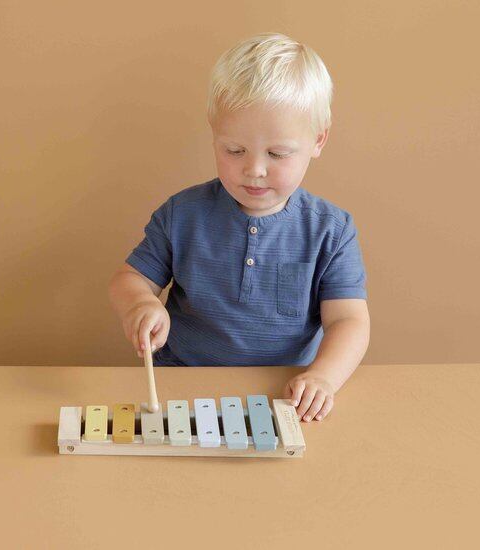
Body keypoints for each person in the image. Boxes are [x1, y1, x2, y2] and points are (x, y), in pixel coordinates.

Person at [109, 32, 370, 423]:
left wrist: (323, 378)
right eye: (234, 150)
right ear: (214, 136)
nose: (255, 169)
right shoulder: (182, 214)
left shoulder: (331, 231)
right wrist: (140, 304)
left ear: (318, 140)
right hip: (181, 384)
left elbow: (349, 321)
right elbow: (127, 279)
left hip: (282, 396)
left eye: (277, 153)